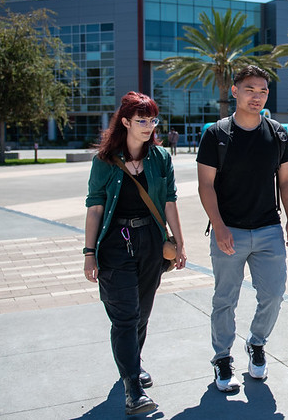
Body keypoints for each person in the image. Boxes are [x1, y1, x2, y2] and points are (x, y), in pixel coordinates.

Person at [83, 91, 187, 415]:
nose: (149, 126)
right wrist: (89, 253)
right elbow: (94, 208)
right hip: (116, 243)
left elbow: (169, 201)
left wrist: (179, 244)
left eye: (153, 120)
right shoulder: (104, 161)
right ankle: (133, 388)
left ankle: (132, 364)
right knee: (125, 316)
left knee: (141, 313)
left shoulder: (160, 158)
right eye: (142, 120)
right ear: (126, 122)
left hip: (150, 243)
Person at [196, 65, 288, 392]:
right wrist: (218, 226)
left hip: (268, 229)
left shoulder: (277, 133)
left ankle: (256, 342)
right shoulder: (216, 135)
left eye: (263, 91)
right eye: (250, 89)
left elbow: (286, 180)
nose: (257, 96)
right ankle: (222, 357)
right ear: (235, 91)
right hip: (229, 231)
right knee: (225, 298)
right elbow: (205, 185)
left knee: (274, 294)